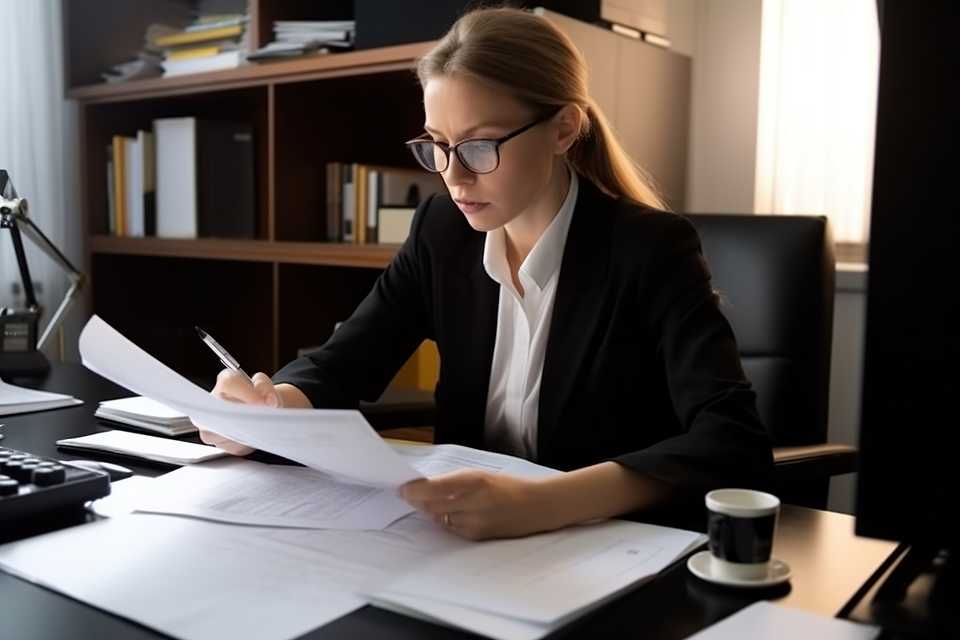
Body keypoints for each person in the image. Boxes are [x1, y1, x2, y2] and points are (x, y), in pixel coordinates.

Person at [202, 7, 773, 540]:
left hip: (600, 543)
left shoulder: (649, 249)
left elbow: (731, 440)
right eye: (438, 146)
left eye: (478, 147)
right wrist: (268, 412)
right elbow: (344, 361)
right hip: (464, 545)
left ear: (563, 129)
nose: (453, 177)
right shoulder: (441, 232)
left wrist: (542, 502)